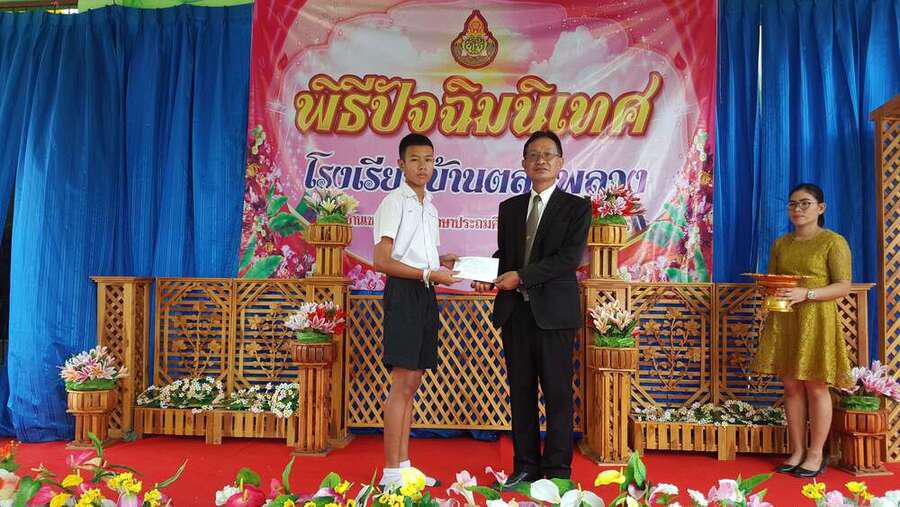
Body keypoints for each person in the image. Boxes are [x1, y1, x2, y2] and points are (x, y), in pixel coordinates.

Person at [473, 130, 590, 484]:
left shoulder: (576, 207)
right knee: (521, 393)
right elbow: (506, 257)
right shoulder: (509, 208)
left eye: (547, 154)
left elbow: (568, 259)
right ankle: (524, 466)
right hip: (516, 314)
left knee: (557, 393)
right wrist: (486, 275)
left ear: (560, 162)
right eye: (533, 155)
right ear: (524, 164)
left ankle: (557, 471)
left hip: (555, 315)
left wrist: (520, 276)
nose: (541, 160)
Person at [373, 133, 459, 488]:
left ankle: (405, 467)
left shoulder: (430, 206)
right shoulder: (393, 202)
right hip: (404, 293)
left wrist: (441, 262)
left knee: (412, 384)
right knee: (401, 384)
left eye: (429, 159)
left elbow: (422, 258)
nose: (423, 166)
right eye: (414, 159)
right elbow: (382, 261)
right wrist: (427, 272)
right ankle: (391, 473)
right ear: (400, 164)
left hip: (425, 292)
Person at [751, 183, 853, 478]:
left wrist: (806, 294)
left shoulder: (833, 242)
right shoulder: (781, 244)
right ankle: (796, 451)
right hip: (785, 318)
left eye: (805, 203)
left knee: (816, 385)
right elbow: (772, 280)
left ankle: (816, 453)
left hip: (817, 317)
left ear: (821, 208)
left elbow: (843, 286)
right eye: (793, 204)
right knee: (791, 385)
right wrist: (768, 297)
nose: (797, 209)